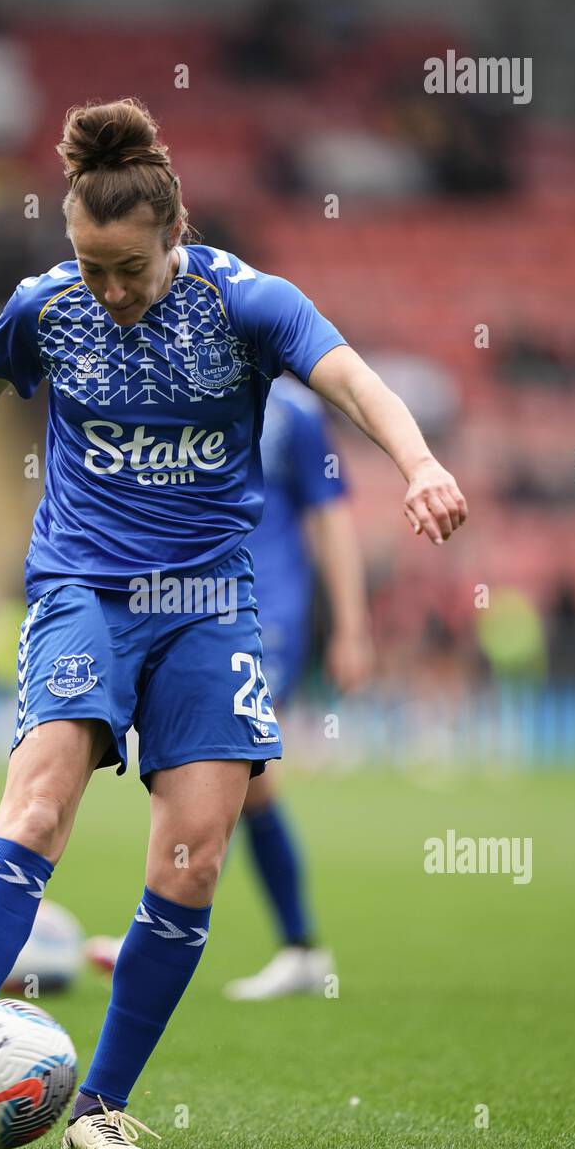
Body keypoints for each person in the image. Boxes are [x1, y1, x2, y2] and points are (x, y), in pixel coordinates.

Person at [0, 97, 467, 1149]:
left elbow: (353, 380)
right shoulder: (49, 306)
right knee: (36, 808)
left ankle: (101, 1103)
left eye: (126, 267)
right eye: (90, 265)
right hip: (82, 587)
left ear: (174, 237)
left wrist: (417, 463)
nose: (108, 289)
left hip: (209, 604)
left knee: (190, 862)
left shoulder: (249, 304)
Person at [225, 372, 374, 999]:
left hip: (266, 612)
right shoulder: (184, 385)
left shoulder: (295, 412)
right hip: (190, 607)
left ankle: (157, 929)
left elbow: (331, 515)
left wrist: (351, 627)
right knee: (246, 782)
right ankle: (302, 947)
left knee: (227, 762)